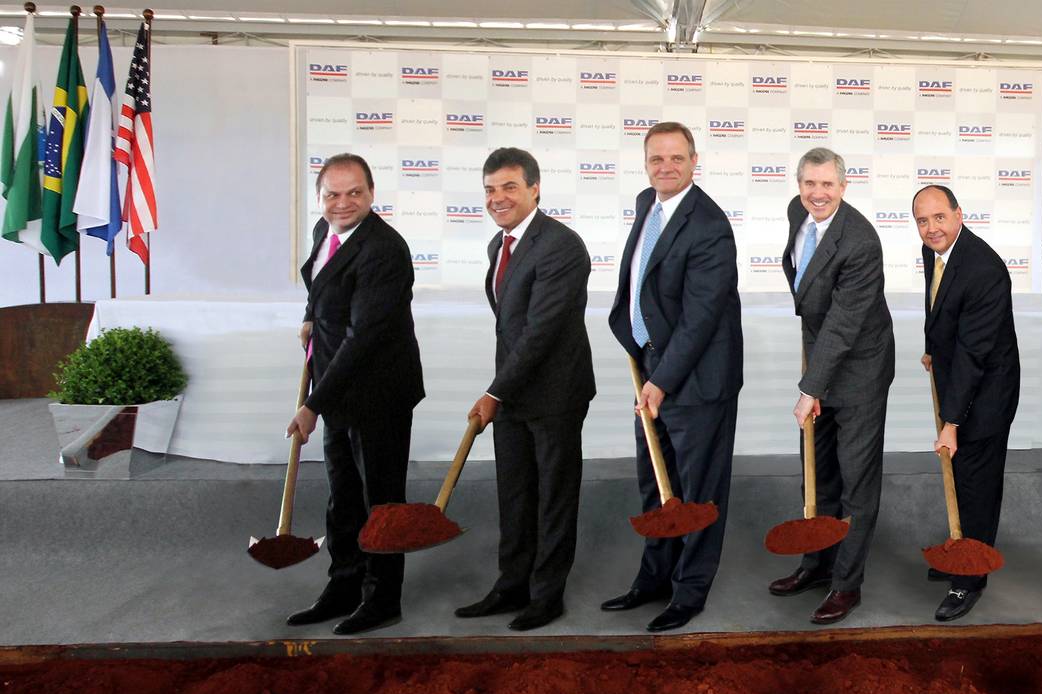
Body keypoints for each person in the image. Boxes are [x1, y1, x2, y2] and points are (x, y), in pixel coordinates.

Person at [602, 121, 744, 633]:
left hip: (697, 378)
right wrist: (641, 356)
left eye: (676, 159)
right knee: (656, 486)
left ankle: (689, 592)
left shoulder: (709, 224)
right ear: (646, 163)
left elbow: (701, 316)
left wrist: (661, 379)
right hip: (653, 368)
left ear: (694, 160)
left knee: (698, 494)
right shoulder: (648, 204)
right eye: (657, 159)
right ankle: (653, 578)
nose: (666, 167)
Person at [454, 147, 595, 632]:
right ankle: (510, 585)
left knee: (553, 496)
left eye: (509, 187)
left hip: (555, 393)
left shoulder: (561, 246)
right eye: (490, 189)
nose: (498, 198)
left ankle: (546, 595)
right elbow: (509, 328)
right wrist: (503, 391)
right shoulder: (500, 245)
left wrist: (494, 392)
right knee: (514, 493)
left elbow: (541, 331)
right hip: (514, 391)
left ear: (535, 189)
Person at [285, 153, 425, 635]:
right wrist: (311, 315)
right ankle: (343, 585)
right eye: (332, 194)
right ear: (320, 196)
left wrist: (312, 406)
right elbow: (321, 281)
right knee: (342, 499)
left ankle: (383, 598)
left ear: (371, 194)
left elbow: (363, 336)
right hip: (339, 389)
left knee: (380, 500)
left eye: (354, 193)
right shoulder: (329, 231)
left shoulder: (384, 249)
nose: (342, 203)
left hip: (378, 392)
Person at [767, 147, 895, 625]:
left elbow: (844, 324)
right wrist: (813, 376)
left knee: (856, 480)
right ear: (799, 184)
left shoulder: (860, 241)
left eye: (827, 185)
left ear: (844, 186)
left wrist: (809, 388)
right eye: (809, 184)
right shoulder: (795, 212)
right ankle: (816, 563)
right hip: (820, 355)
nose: (817, 194)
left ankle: (846, 584)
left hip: (860, 367)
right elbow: (808, 292)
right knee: (817, 472)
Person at [914, 184, 1020, 622]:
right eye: (922, 220)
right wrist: (931, 348)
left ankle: (970, 580)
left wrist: (952, 421)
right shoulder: (936, 251)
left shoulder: (983, 268)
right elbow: (938, 308)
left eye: (940, 217)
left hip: (986, 391)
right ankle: (963, 548)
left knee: (977, 485)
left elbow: (976, 352)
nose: (931, 227)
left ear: (959, 214)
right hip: (956, 376)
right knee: (959, 476)